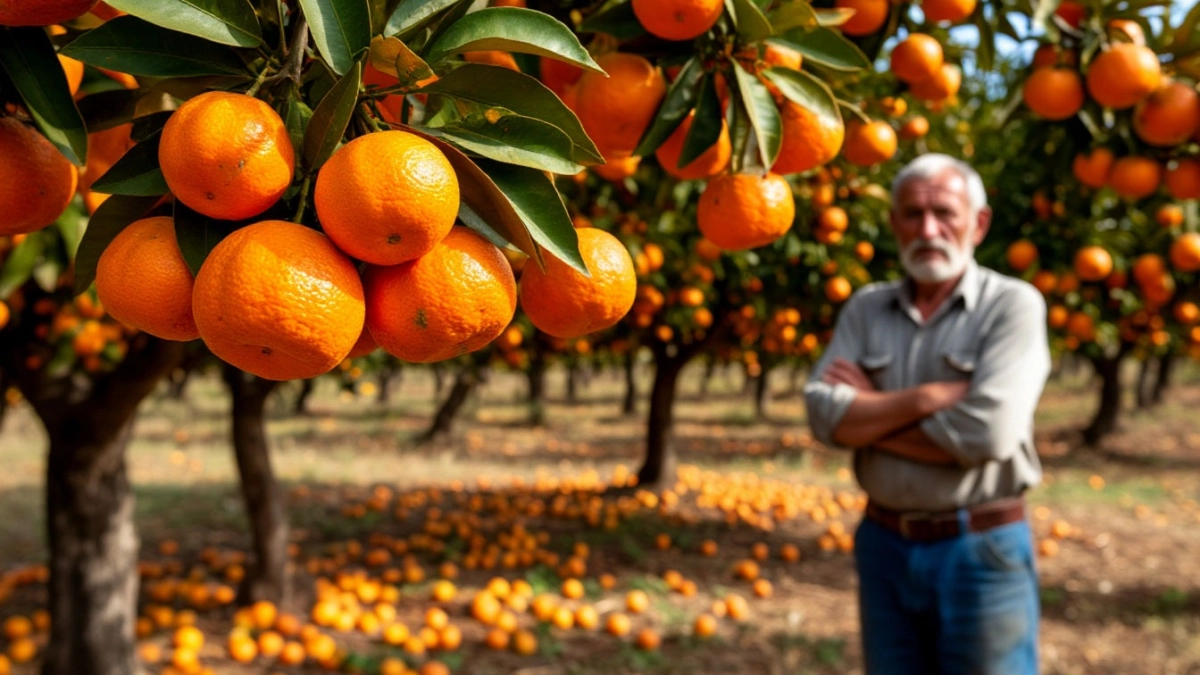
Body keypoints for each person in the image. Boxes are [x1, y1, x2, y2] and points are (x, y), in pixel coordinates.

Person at [804, 153, 1051, 675]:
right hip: (883, 544)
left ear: (978, 223)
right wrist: (925, 400)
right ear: (894, 223)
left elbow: (989, 434)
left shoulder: (1012, 306)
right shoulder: (865, 308)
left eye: (945, 212)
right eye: (912, 215)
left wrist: (869, 417)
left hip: (980, 550)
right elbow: (823, 414)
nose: (928, 229)